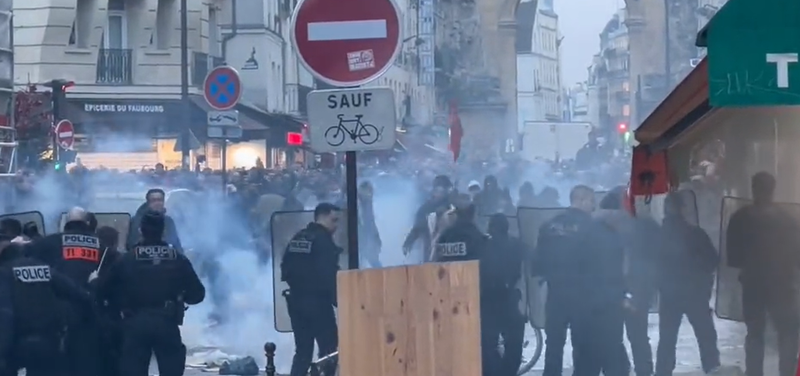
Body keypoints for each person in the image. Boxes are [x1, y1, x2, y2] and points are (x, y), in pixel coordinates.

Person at [95, 210, 205, 376]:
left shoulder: (127, 259)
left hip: (135, 324)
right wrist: (180, 297)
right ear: (164, 231)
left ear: (140, 230)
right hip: (167, 322)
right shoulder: (177, 258)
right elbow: (197, 294)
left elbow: (104, 291)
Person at [727, 172, 800, 376]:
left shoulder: (739, 219)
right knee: (787, 335)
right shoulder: (789, 220)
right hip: (783, 287)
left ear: (753, 189)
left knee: (754, 335)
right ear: (773, 190)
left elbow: (733, 259)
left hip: (753, 286)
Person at [26, 207, 104, 376]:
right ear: (87, 223)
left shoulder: (48, 242)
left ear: (65, 223)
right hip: (89, 313)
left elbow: (25, 263)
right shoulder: (101, 245)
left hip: (53, 315)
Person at [0, 237, 93, 376]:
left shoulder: (4, 273)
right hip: (52, 343)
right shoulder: (43, 268)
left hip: (19, 347)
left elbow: (5, 314)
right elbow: (79, 294)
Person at [532, 185, 596, 376]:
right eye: (592, 201)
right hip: (583, 294)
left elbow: (538, 263)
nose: (593, 207)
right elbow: (599, 261)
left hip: (555, 293)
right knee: (582, 345)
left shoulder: (549, 226)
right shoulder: (591, 227)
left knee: (553, 345)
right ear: (582, 200)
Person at [655, 192, 720, 376]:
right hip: (695, 294)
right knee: (706, 336)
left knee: (667, 338)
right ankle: (712, 368)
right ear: (683, 209)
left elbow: (650, 266)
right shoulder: (695, 233)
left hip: (668, 295)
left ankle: (663, 372)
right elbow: (712, 260)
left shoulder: (658, 236)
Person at [433, 202, 500, 376]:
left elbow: (433, 264)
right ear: (473, 215)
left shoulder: (444, 236)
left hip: (446, 298)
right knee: (483, 346)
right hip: (475, 300)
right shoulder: (478, 238)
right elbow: (488, 270)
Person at [282, 203, 342, 376]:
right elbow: (329, 275)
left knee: (302, 352)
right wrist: (340, 302)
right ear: (321, 216)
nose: (336, 226)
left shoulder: (299, 237)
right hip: (317, 303)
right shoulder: (323, 241)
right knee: (329, 350)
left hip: (296, 302)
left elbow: (285, 269)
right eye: (334, 220)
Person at [486, 214, 527, 376]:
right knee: (514, 346)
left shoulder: (483, 246)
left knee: (488, 345)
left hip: (488, 301)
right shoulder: (517, 245)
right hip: (511, 300)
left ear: (490, 228)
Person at [404, 175, 454, 260]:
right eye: (438, 190)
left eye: (443, 190)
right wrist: (409, 242)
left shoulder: (454, 206)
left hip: (452, 250)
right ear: (434, 191)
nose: (440, 193)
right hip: (431, 250)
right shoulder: (426, 208)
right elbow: (418, 227)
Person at [358, 181, 382, 268]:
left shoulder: (366, 202)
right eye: (369, 192)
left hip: (366, 238)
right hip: (363, 238)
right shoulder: (363, 202)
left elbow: (370, 221)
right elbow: (368, 222)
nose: (370, 194)